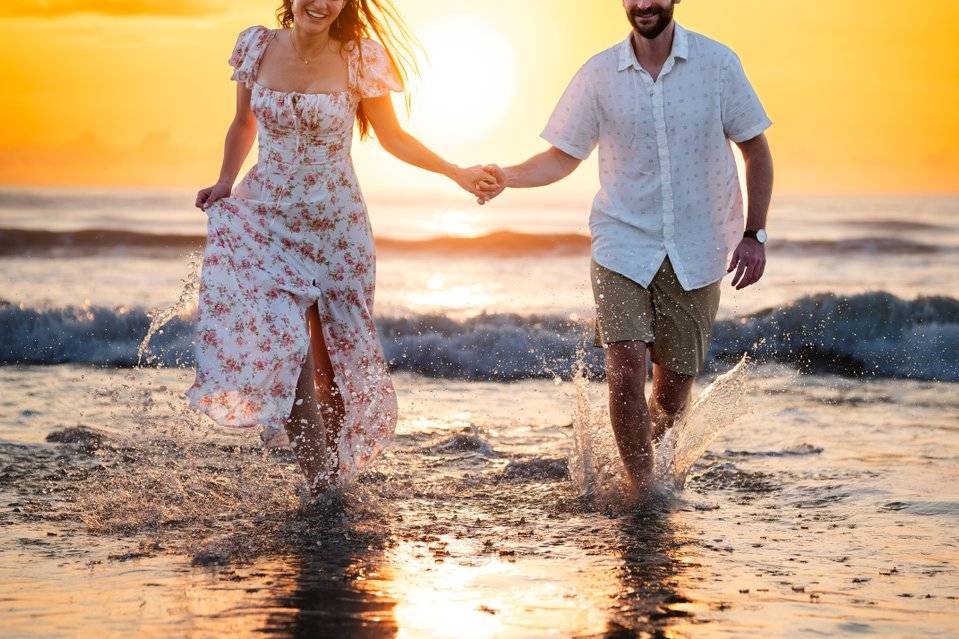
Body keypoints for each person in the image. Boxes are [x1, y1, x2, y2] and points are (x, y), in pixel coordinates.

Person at [187, 0, 498, 498]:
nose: (321, 2)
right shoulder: (256, 46)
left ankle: (334, 474)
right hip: (267, 221)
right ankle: (321, 488)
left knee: (331, 363)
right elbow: (243, 123)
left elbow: (394, 137)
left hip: (336, 229)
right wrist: (225, 181)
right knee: (289, 354)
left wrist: (455, 172)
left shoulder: (360, 58)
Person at [481, 0, 774, 497]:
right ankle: (641, 491)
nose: (644, 4)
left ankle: (641, 465)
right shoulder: (599, 74)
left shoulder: (717, 64)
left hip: (697, 244)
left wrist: (754, 234)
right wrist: (507, 176)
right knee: (624, 366)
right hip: (622, 241)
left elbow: (756, 151)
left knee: (674, 391)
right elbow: (561, 157)